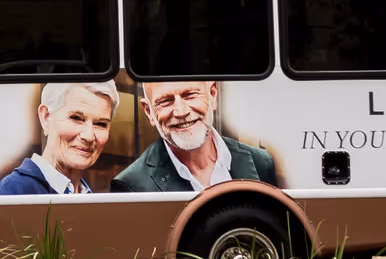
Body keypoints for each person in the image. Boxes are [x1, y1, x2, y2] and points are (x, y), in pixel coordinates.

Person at [109, 80, 278, 193]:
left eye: (190, 95)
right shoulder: (130, 184)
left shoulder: (261, 162)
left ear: (213, 94)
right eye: (165, 101)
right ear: (149, 112)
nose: (181, 112)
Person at [0, 80, 120, 195]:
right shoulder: (17, 189)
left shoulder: (89, 197)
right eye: (76, 118)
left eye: (100, 124)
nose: (88, 136)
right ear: (46, 117)